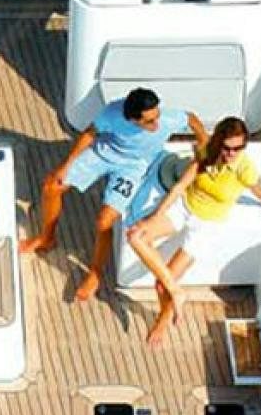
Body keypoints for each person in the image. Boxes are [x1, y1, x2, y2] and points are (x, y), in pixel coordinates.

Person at [21, 88, 203, 301]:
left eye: (157, 116)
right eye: (149, 121)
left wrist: (205, 141)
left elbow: (191, 119)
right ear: (132, 119)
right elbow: (90, 133)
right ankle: (46, 238)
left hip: (133, 167)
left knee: (105, 220)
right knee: (52, 186)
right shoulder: (113, 114)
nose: (156, 125)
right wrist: (66, 165)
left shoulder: (167, 119)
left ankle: (95, 272)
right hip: (104, 154)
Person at [125, 116, 261, 344]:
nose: (231, 153)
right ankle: (178, 293)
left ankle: (164, 317)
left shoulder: (245, 169)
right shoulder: (207, 152)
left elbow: (257, 189)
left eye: (238, 148)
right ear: (219, 142)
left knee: (161, 285)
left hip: (206, 225)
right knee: (135, 235)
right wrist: (155, 216)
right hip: (185, 207)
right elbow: (180, 186)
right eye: (227, 148)